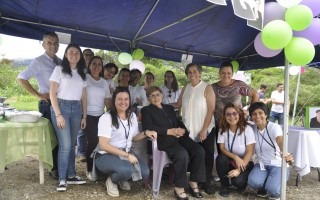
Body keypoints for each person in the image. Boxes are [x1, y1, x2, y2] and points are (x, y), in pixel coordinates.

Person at [141, 86, 206, 200]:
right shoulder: (146, 110)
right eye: (152, 96)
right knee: (182, 154)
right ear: (148, 98)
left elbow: (177, 122)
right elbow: (148, 127)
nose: (156, 98)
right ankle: (179, 187)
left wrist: (183, 130)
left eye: (158, 94)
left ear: (162, 95)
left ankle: (193, 181)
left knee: (199, 150)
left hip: (178, 138)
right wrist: (169, 131)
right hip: (163, 140)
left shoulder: (169, 108)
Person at [94, 87, 156, 197]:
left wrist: (146, 133)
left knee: (144, 172)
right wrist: (127, 155)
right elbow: (103, 145)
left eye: (126, 99)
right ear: (114, 101)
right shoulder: (106, 117)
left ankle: (121, 176)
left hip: (124, 154)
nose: (123, 102)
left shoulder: (132, 116)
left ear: (130, 100)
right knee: (127, 170)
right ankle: (112, 180)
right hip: (106, 155)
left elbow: (134, 137)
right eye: (119, 99)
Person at [17, 32, 61, 178]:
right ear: (43, 45)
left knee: (60, 136)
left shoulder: (60, 61)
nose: (53, 45)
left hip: (60, 103)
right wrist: (37, 95)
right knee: (52, 136)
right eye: (49, 42)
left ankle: (59, 166)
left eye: (55, 42)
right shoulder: (39, 61)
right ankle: (53, 168)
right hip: (47, 103)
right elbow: (21, 78)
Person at [49, 43, 87, 191]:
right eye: (71, 52)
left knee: (72, 145)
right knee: (65, 146)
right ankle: (62, 179)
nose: (74, 55)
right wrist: (58, 114)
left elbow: (84, 95)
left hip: (77, 109)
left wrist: (84, 115)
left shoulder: (82, 72)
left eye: (77, 53)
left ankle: (71, 175)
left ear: (80, 56)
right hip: (61, 107)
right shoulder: (59, 69)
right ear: (66, 54)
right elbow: (52, 93)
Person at [174, 63, 216, 195]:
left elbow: (211, 109)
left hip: (205, 128)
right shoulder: (185, 87)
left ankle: (206, 183)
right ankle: (194, 181)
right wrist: (160, 104)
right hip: (188, 129)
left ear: (200, 73)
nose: (192, 74)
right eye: (189, 72)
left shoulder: (207, 87)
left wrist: (204, 129)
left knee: (207, 157)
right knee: (195, 155)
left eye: (194, 71)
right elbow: (178, 104)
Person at [247, 102, 294, 200]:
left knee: (273, 190)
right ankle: (265, 186)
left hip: (277, 164)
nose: (257, 116)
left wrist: (283, 152)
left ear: (266, 114)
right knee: (252, 182)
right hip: (262, 164)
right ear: (251, 116)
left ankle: (275, 188)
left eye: (260, 113)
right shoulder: (252, 128)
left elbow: (280, 140)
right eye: (254, 114)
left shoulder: (274, 127)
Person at [216, 103, 255, 197]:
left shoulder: (247, 129)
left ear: (239, 114)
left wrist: (238, 170)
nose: (231, 117)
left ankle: (241, 181)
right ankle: (224, 185)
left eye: (234, 113)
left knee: (238, 182)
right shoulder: (222, 129)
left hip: (245, 162)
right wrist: (235, 157)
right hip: (230, 161)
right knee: (220, 158)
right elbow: (221, 149)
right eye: (228, 114)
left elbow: (250, 151)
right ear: (224, 116)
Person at [84, 56, 111, 181]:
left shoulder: (104, 82)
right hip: (87, 115)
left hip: (101, 115)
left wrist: (112, 115)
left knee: (102, 143)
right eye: (94, 64)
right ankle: (89, 169)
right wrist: (82, 116)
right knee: (93, 142)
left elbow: (107, 100)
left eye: (99, 64)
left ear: (102, 67)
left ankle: (99, 167)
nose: (96, 66)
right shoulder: (85, 78)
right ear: (89, 66)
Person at [77, 48, 94, 162]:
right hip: (80, 101)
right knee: (81, 129)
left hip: (93, 104)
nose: (88, 56)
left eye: (90, 55)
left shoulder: (95, 70)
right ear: (82, 56)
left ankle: (91, 152)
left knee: (92, 130)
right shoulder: (79, 70)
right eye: (86, 54)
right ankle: (81, 153)